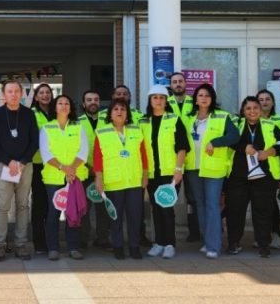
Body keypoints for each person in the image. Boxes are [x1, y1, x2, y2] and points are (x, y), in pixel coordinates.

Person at [182, 84, 239, 258]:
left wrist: (216, 142)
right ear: (196, 99)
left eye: (207, 95)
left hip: (214, 168)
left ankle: (214, 245)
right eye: (200, 95)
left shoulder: (222, 116)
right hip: (193, 167)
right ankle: (207, 241)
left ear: (212, 98)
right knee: (200, 205)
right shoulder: (188, 118)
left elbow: (234, 136)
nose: (204, 98)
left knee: (213, 205)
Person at [0, 79, 39, 261]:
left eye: (17, 91)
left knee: (23, 205)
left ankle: (21, 244)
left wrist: (23, 161)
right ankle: (0, 245)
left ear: (21, 94)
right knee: (2, 207)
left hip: (25, 166)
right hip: (3, 166)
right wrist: (9, 161)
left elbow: (35, 141)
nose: (14, 94)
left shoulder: (28, 114)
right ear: (4, 95)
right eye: (10, 91)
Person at [226, 96, 280, 259]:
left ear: (260, 110)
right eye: (248, 108)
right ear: (243, 111)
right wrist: (243, 147)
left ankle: (264, 244)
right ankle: (233, 243)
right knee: (235, 211)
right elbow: (227, 141)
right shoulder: (235, 125)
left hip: (264, 176)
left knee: (263, 212)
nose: (252, 111)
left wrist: (269, 152)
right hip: (238, 176)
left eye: (255, 108)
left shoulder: (270, 125)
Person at [93, 99, 147, 260]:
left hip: (134, 181)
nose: (119, 112)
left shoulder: (136, 131)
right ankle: (118, 246)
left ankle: (134, 247)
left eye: (122, 109)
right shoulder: (101, 132)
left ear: (127, 113)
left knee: (135, 217)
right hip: (113, 181)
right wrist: (99, 179)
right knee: (115, 217)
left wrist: (145, 175)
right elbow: (97, 158)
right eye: (115, 109)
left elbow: (143, 155)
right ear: (110, 113)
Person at [141, 85, 189, 259]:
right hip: (152, 173)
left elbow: (182, 147)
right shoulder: (143, 122)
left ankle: (169, 244)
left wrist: (178, 170)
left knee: (166, 208)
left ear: (166, 100)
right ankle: (158, 243)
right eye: (155, 98)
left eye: (162, 98)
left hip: (170, 173)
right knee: (155, 208)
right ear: (150, 101)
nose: (158, 101)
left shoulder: (174, 119)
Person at [40, 94, 89, 261]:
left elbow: (83, 151)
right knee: (53, 213)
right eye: (60, 103)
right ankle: (53, 248)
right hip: (54, 178)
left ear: (71, 107)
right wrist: (64, 168)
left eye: (67, 103)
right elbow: (46, 153)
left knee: (73, 213)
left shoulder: (78, 127)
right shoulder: (47, 128)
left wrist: (72, 169)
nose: (63, 106)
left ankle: (73, 247)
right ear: (55, 107)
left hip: (74, 177)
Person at [79, 90, 111, 250]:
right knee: (84, 208)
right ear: (83, 104)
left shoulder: (108, 121)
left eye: (96, 100)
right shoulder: (76, 122)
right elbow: (73, 149)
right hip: (84, 171)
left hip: (104, 172)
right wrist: (87, 167)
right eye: (89, 100)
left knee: (103, 207)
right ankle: (83, 239)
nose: (93, 102)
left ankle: (102, 239)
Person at [256, 89, 280, 249]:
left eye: (267, 99)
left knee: (271, 205)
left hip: (274, 170)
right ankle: (261, 236)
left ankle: (276, 235)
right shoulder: (251, 120)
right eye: (261, 99)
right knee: (258, 205)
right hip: (254, 169)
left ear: (273, 102)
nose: (264, 102)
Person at [29, 83, 54, 255]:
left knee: (54, 203)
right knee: (39, 203)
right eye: (41, 93)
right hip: (37, 164)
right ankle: (39, 242)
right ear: (36, 97)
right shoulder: (31, 114)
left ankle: (52, 238)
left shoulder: (58, 113)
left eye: (48, 92)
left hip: (56, 164)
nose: (45, 95)